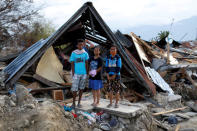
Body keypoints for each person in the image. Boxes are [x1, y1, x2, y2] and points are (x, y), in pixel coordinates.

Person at [70, 39, 89, 108]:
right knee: (74, 89)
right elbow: (72, 63)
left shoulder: (85, 53)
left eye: (82, 44)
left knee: (81, 88)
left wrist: (86, 73)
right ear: (77, 45)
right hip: (76, 74)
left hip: (83, 73)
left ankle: (79, 103)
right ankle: (73, 103)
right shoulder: (73, 53)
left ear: (83, 45)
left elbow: (87, 64)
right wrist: (73, 73)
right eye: (79, 45)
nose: (80, 46)